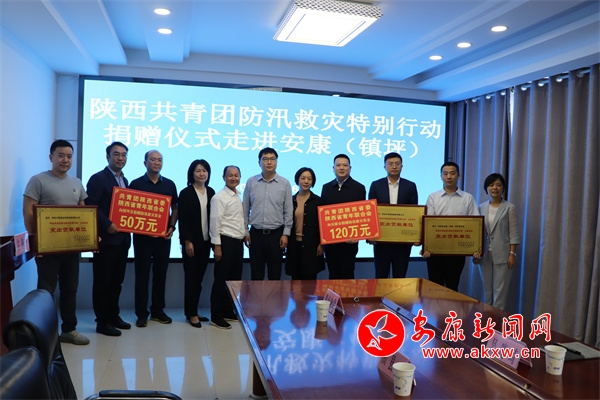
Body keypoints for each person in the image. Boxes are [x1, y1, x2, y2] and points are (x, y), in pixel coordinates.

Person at [23, 139, 90, 345]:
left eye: (69, 156)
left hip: (71, 247)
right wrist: (35, 242)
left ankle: (69, 330)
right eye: (61, 155)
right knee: (45, 292)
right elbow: (28, 212)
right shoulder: (38, 180)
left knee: (70, 289)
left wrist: (90, 236)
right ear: (51, 157)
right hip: (47, 248)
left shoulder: (77, 183)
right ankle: (45, 333)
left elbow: (84, 214)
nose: (65, 160)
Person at [85, 141, 132, 337]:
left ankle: (113, 316)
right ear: (107, 157)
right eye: (116, 154)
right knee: (103, 282)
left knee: (116, 281)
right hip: (106, 240)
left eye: (124, 155)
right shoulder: (98, 178)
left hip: (123, 240)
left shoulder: (124, 180)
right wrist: (107, 225)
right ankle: (102, 322)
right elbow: (91, 206)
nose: (120, 158)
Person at [129, 150, 178, 327]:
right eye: (153, 159)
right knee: (141, 275)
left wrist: (171, 227)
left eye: (160, 160)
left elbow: (175, 208)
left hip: (163, 238)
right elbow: (129, 210)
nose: (157, 163)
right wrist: (142, 228)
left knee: (160, 274)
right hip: (142, 238)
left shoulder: (169, 184)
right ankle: (141, 314)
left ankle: (158, 311)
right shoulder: (135, 184)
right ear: (145, 163)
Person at [424, 161, 479, 291]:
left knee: (453, 286)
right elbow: (428, 224)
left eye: (452, 173)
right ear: (441, 176)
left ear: (458, 176)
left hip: (457, 250)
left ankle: (451, 306)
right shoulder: (433, 197)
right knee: (435, 288)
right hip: (435, 250)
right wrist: (426, 247)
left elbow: (475, 224)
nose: (449, 176)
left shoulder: (468, 198)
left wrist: (476, 249)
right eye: (445, 173)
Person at [243, 147, 293, 280]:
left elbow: (288, 210)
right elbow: (245, 208)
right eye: (265, 159)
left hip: (276, 235)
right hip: (256, 234)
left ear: (277, 162)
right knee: (256, 275)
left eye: (272, 159)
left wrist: (286, 234)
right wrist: (245, 231)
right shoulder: (251, 182)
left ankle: (274, 296)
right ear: (259, 162)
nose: (269, 162)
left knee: (275, 275)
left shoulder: (284, 183)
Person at [368, 152, 418, 278]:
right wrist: (370, 235)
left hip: (402, 242)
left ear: (402, 166)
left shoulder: (410, 186)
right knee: (381, 276)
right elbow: (370, 212)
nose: (394, 166)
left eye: (397, 164)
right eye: (390, 164)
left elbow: (414, 212)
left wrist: (415, 236)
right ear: (385, 167)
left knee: (400, 277)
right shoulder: (376, 185)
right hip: (382, 241)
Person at [178, 159, 215, 328]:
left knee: (199, 279)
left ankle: (194, 310)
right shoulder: (186, 193)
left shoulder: (211, 192)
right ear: (192, 173)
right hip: (191, 243)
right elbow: (183, 219)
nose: (201, 174)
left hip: (206, 242)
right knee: (191, 279)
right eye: (198, 170)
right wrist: (187, 241)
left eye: (204, 171)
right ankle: (191, 313)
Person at [474, 173, 520, 310]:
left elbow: (514, 233)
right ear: (486, 188)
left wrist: (512, 254)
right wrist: (475, 251)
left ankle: (497, 321)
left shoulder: (509, 208)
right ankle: (487, 320)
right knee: (487, 291)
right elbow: (476, 232)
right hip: (484, 255)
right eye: (491, 185)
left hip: (503, 255)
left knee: (499, 292)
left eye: (498, 185)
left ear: (503, 188)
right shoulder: (480, 207)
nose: (495, 188)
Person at [209, 166, 247, 329]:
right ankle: (216, 315)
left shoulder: (237, 195)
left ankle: (227, 310)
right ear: (223, 177)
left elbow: (239, 219)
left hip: (237, 242)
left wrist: (245, 233)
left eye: (236, 175)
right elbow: (215, 223)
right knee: (221, 280)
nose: (233, 178)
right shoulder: (219, 197)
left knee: (233, 280)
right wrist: (217, 246)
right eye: (230, 175)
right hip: (225, 242)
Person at [320, 154, 366, 279]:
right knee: (333, 275)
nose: (341, 168)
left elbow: (362, 216)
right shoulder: (326, 188)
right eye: (338, 165)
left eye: (345, 165)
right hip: (331, 243)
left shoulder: (359, 188)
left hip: (349, 242)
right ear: (333, 168)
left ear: (350, 168)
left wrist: (356, 235)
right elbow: (323, 216)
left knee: (347, 275)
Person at [285, 167, 325, 280]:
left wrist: (322, 244)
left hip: (312, 246)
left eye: (309, 179)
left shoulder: (318, 201)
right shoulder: (290, 201)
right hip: (293, 245)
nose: (306, 181)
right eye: (303, 178)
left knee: (310, 281)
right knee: (295, 280)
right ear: (297, 180)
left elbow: (323, 225)